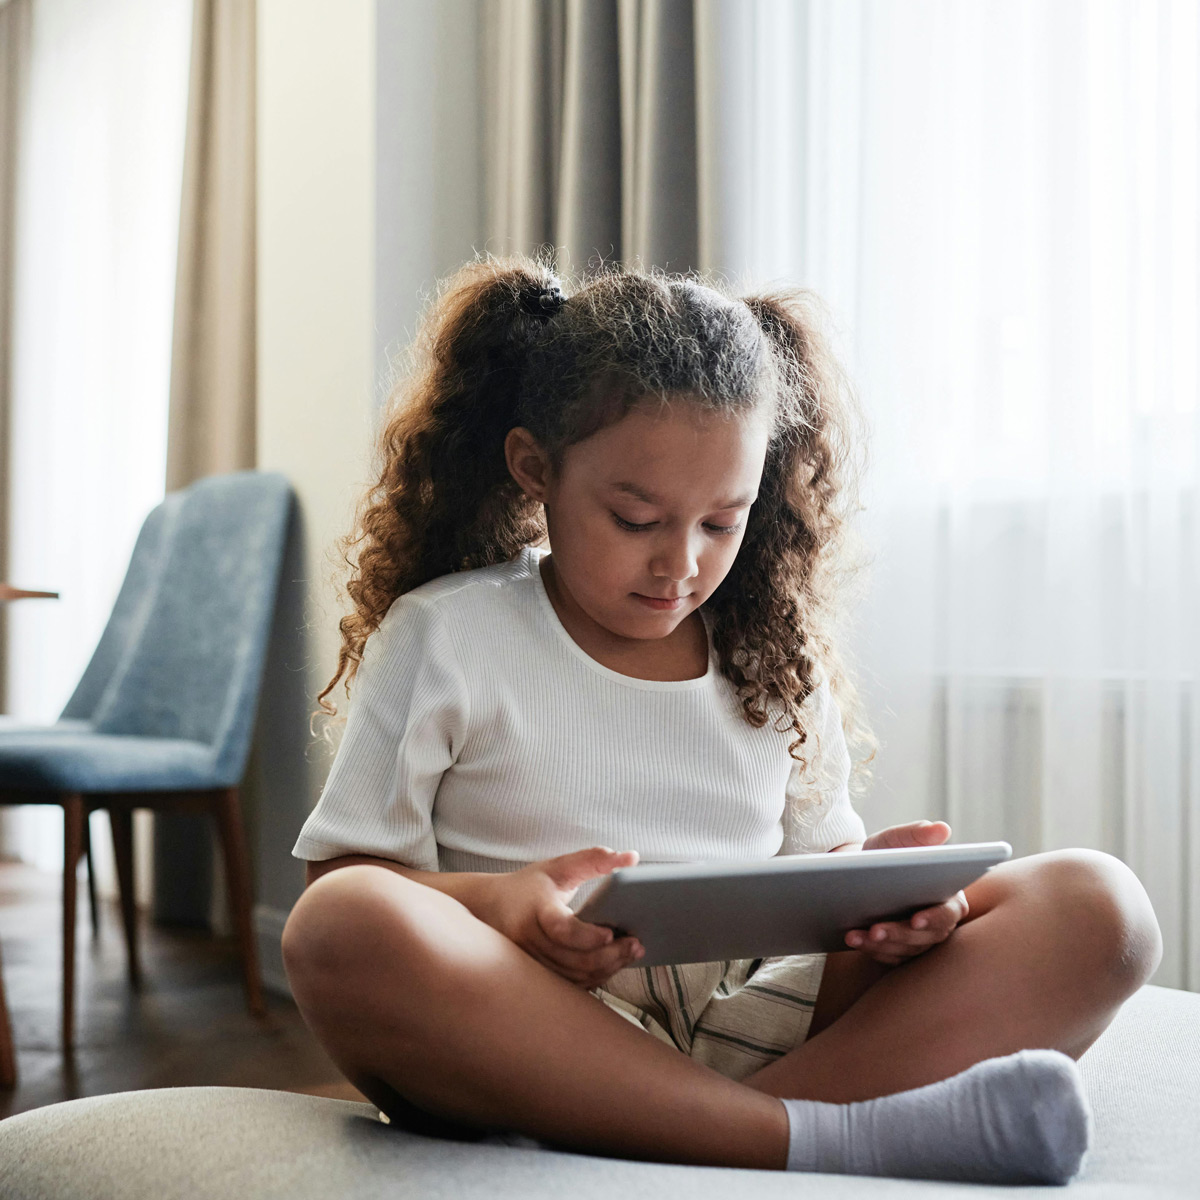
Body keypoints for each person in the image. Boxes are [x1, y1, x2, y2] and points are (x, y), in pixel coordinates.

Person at [281, 255, 1162, 1183]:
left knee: (1104, 909)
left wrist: (885, 906)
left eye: (720, 523)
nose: (681, 565)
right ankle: (812, 1141)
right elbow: (345, 875)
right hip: (539, 1023)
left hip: (754, 1013)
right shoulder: (446, 635)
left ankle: (720, 1136)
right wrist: (500, 902)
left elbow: (815, 876)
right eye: (635, 518)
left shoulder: (769, 656)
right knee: (341, 922)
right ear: (534, 468)